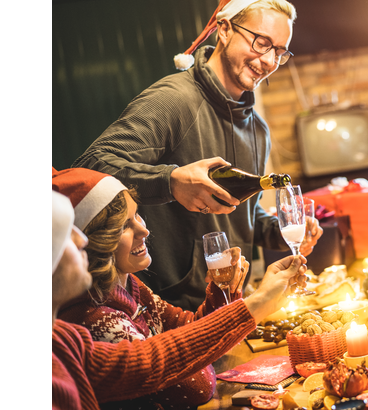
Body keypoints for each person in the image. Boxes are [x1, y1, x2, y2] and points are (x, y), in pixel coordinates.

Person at [71, 0, 322, 311]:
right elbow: (89, 168)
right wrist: (171, 181)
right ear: (225, 30)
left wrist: (282, 234)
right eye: (261, 42)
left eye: (280, 52)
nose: (269, 60)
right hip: (172, 312)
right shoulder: (173, 100)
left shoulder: (257, 128)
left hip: (229, 306)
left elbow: (241, 212)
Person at [52, 190, 302, 410]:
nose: (80, 240)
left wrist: (224, 293)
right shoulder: (90, 318)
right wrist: (254, 305)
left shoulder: (70, 334)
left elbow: (186, 330)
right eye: (64, 235)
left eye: (137, 215)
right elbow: (193, 383)